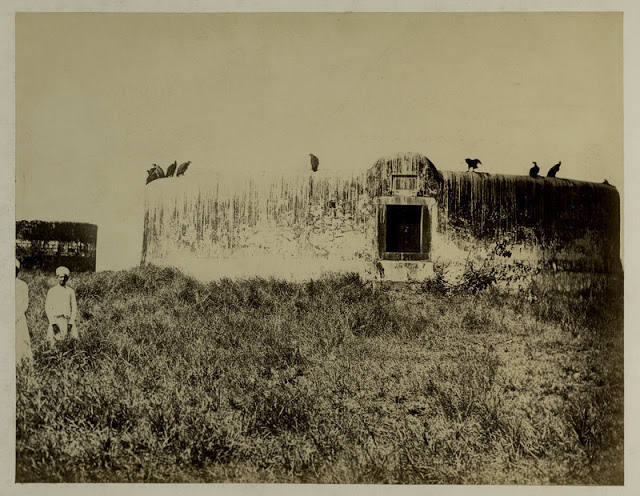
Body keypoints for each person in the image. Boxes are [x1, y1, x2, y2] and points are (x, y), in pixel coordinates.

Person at [45, 266, 78, 346]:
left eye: (65, 277)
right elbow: (48, 307)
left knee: (71, 342)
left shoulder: (70, 291)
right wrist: (53, 323)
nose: (62, 279)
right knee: (53, 343)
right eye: (60, 277)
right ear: (57, 277)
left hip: (67, 321)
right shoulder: (52, 291)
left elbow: (74, 308)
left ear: (67, 278)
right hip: (56, 320)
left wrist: (70, 323)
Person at [15, 259, 33, 364]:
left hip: (19, 318)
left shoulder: (22, 285)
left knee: (20, 340)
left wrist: (16, 316)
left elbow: (24, 304)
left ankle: (20, 362)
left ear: (17, 271)